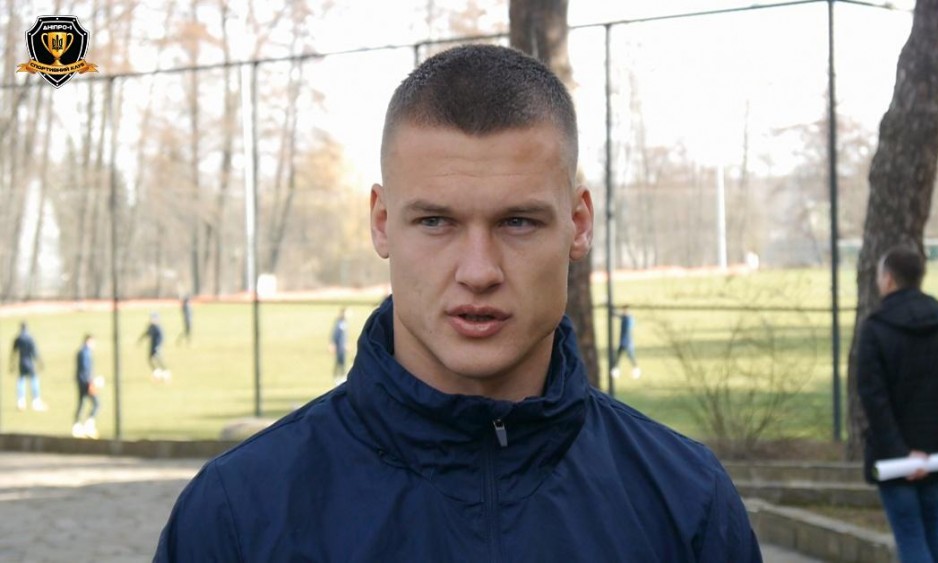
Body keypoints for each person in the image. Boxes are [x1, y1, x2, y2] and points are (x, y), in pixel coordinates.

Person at [156, 44, 761, 561]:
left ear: (578, 225)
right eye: (436, 222)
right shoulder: (238, 514)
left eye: (518, 222)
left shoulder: (686, 502)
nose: (478, 271)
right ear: (382, 222)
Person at [857, 245, 938, 562]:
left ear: (888, 279)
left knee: (910, 536)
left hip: (897, 459)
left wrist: (900, 452)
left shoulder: (875, 329)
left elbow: (873, 398)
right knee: (933, 529)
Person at [9, 321, 47, 411]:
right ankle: (36, 400)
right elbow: (35, 352)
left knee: (21, 380)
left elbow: (13, 352)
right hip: (29, 362)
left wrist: (12, 364)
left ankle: (21, 401)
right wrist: (40, 362)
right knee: (34, 379)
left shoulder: (18, 338)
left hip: (21, 362)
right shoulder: (30, 338)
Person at [72, 334, 100, 439]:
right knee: (96, 403)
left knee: (81, 403)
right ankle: (88, 426)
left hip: (81, 381)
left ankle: (77, 426)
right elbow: (85, 369)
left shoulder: (81, 351)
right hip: (86, 382)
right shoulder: (85, 353)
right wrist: (91, 381)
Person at [611, 304, 641, 379]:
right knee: (619, 356)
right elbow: (615, 314)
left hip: (627, 341)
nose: (624, 312)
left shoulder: (628, 319)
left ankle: (636, 370)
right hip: (623, 341)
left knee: (630, 356)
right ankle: (615, 370)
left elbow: (628, 330)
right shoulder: (625, 317)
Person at [138, 312, 170, 381]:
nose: (152, 320)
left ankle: (165, 372)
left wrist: (158, 346)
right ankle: (157, 372)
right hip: (151, 346)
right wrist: (140, 339)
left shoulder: (158, 328)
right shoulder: (151, 327)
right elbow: (146, 333)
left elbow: (161, 338)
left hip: (156, 346)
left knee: (158, 359)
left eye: (154, 319)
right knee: (150, 359)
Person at [330, 308, 348, 381]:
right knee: (339, 361)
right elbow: (335, 334)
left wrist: (346, 344)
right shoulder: (339, 323)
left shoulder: (344, 322)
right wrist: (332, 344)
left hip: (342, 345)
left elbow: (344, 335)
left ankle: (341, 375)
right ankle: (337, 376)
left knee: (342, 361)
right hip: (339, 346)